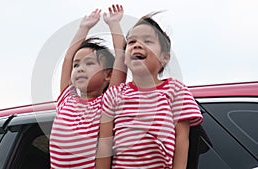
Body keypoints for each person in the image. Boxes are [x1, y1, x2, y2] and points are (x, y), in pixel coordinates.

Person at [97, 12, 203, 169]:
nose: (137, 45)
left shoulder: (175, 90)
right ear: (125, 58)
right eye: (131, 42)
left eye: (147, 41)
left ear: (165, 57)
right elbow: (104, 144)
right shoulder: (114, 95)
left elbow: (182, 139)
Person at [49, 5, 125, 169]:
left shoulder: (106, 103)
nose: (80, 68)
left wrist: (114, 24)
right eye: (77, 65)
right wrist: (84, 28)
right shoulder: (66, 100)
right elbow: (68, 58)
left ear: (108, 75)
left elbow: (121, 59)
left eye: (89, 63)